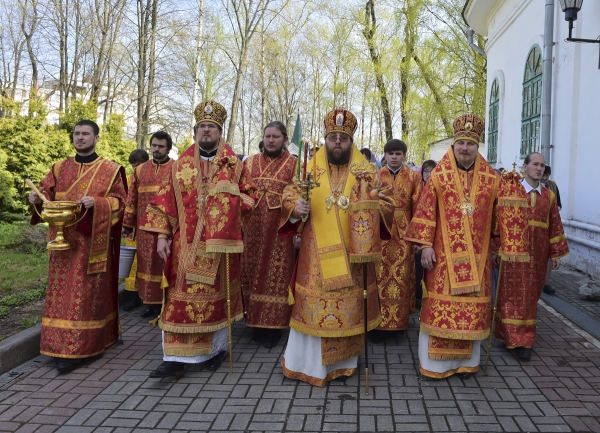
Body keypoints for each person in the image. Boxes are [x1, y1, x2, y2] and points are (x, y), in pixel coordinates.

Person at [404, 113, 529, 379]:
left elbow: (499, 220)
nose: (464, 148)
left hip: (479, 258)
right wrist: (425, 245)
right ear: (454, 144)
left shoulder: (493, 180)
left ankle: (466, 364)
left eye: (470, 144)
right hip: (443, 259)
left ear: (477, 146)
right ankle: (435, 365)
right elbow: (426, 211)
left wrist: (501, 243)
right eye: (460, 143)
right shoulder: (438, 175)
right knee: (441, 307)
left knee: (471, 311)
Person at [140, 100, 256, 378]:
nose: (206, 131)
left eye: (211, 127)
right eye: (202, 126)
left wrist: (230, 202)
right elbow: (163, 203)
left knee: (217, 300)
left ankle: (215, 351)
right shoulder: (178, 166)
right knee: (178, 299)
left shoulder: (235, 166)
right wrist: (161, 236)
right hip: (185, 247)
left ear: (220, 132)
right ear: (196, 131)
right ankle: (173, 358)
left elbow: (251, 198)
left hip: (220, 247)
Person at [278, 108, 393, 386]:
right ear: (325, 140)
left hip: (352, 255)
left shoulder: (366, 172)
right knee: (313, 306)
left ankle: (343, 363)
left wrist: (372, 206)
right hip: (314, 255)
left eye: (343, 137)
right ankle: (305, 364)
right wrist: (296, 207)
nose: (338, 142)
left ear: (351, 140)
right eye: (333, 138)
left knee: (347, 307)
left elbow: (388, 203)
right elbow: (288, 195)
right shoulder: (309, 168)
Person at [29, 120, 127, 373]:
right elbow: (44, 195)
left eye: (85, 134)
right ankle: (56, 344)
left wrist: (98, 202)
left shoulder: (110, 169)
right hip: (61, 242)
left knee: (85, 294)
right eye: (77, 134)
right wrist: (35, 200)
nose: (80, 138)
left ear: (96, 138)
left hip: (90, 242)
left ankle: (80, 347)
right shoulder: (59, 168)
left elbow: (120, 202)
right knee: (59, 293)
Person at [495, 153, 569, 360]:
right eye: (535, 164)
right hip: (513, 254)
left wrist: (556, 254)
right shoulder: (511, 191)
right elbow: (497, 221)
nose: (539, 169)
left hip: (538, 254)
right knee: (511, 294)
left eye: (542, 165)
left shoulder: (549, 196)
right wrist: (495, 248)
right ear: (525, 166)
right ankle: (519, 340)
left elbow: (555, 225)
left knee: (530, 297)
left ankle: (515, 335)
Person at [240, 121, 297, 348]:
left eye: (275, 136)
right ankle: (252, 321)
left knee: (276, 274)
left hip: (279, 228)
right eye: (268, 136)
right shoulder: (250, 162)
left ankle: (273, 326)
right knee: (250, 270)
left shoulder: (294, 164)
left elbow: (297, 191)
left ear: (284, 139)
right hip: (252, 226)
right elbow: (241, 189)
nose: (271, 140)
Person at [369, 139, 422, 344]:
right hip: (380, 233)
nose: (394, 157)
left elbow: (419, 208)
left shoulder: (414, 177)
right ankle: (378, 323)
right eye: (390, 153)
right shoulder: (376, 176)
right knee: (380, 277)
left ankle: (398, 324)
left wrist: (418, 238)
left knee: (401, 278)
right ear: (384, 155)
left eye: (398, 154)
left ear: (404, 156)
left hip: (404, 235)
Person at [122, 132, 175, 318]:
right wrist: (127, 225)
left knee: (165, 264)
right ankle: (151, 304)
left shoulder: (176, 168)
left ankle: (167, 304)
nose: (156, 149)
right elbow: (131, 199)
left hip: (168, 227)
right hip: (144, 228)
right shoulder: (140, 170)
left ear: (168, 148)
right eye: (154, 145)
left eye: (161, 146)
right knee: (147, 265)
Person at [122, 149, 150, 311]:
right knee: (132, 264)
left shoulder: (152, 179)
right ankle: (132, 297)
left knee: (148, 264)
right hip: (132, 229)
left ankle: (148, 299)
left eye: (138, 165)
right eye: (132, 166)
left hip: (148, 228)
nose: (135, 169)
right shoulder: (127, 180)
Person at [414, 159, 437, 309]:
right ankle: (417, 297)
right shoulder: (418, 190)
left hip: (434, 238)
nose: (429, 174)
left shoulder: (439, 189)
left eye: (432, 170)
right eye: (426, 171)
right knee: (417, 269)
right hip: (417, 236)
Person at [541, 164, 562, 294]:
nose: (545, 178)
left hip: (548, 224)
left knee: (549, 254)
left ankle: (546, 282)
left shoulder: (552, 185)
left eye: (547, 176)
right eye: (543, 175)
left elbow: (558, 205)